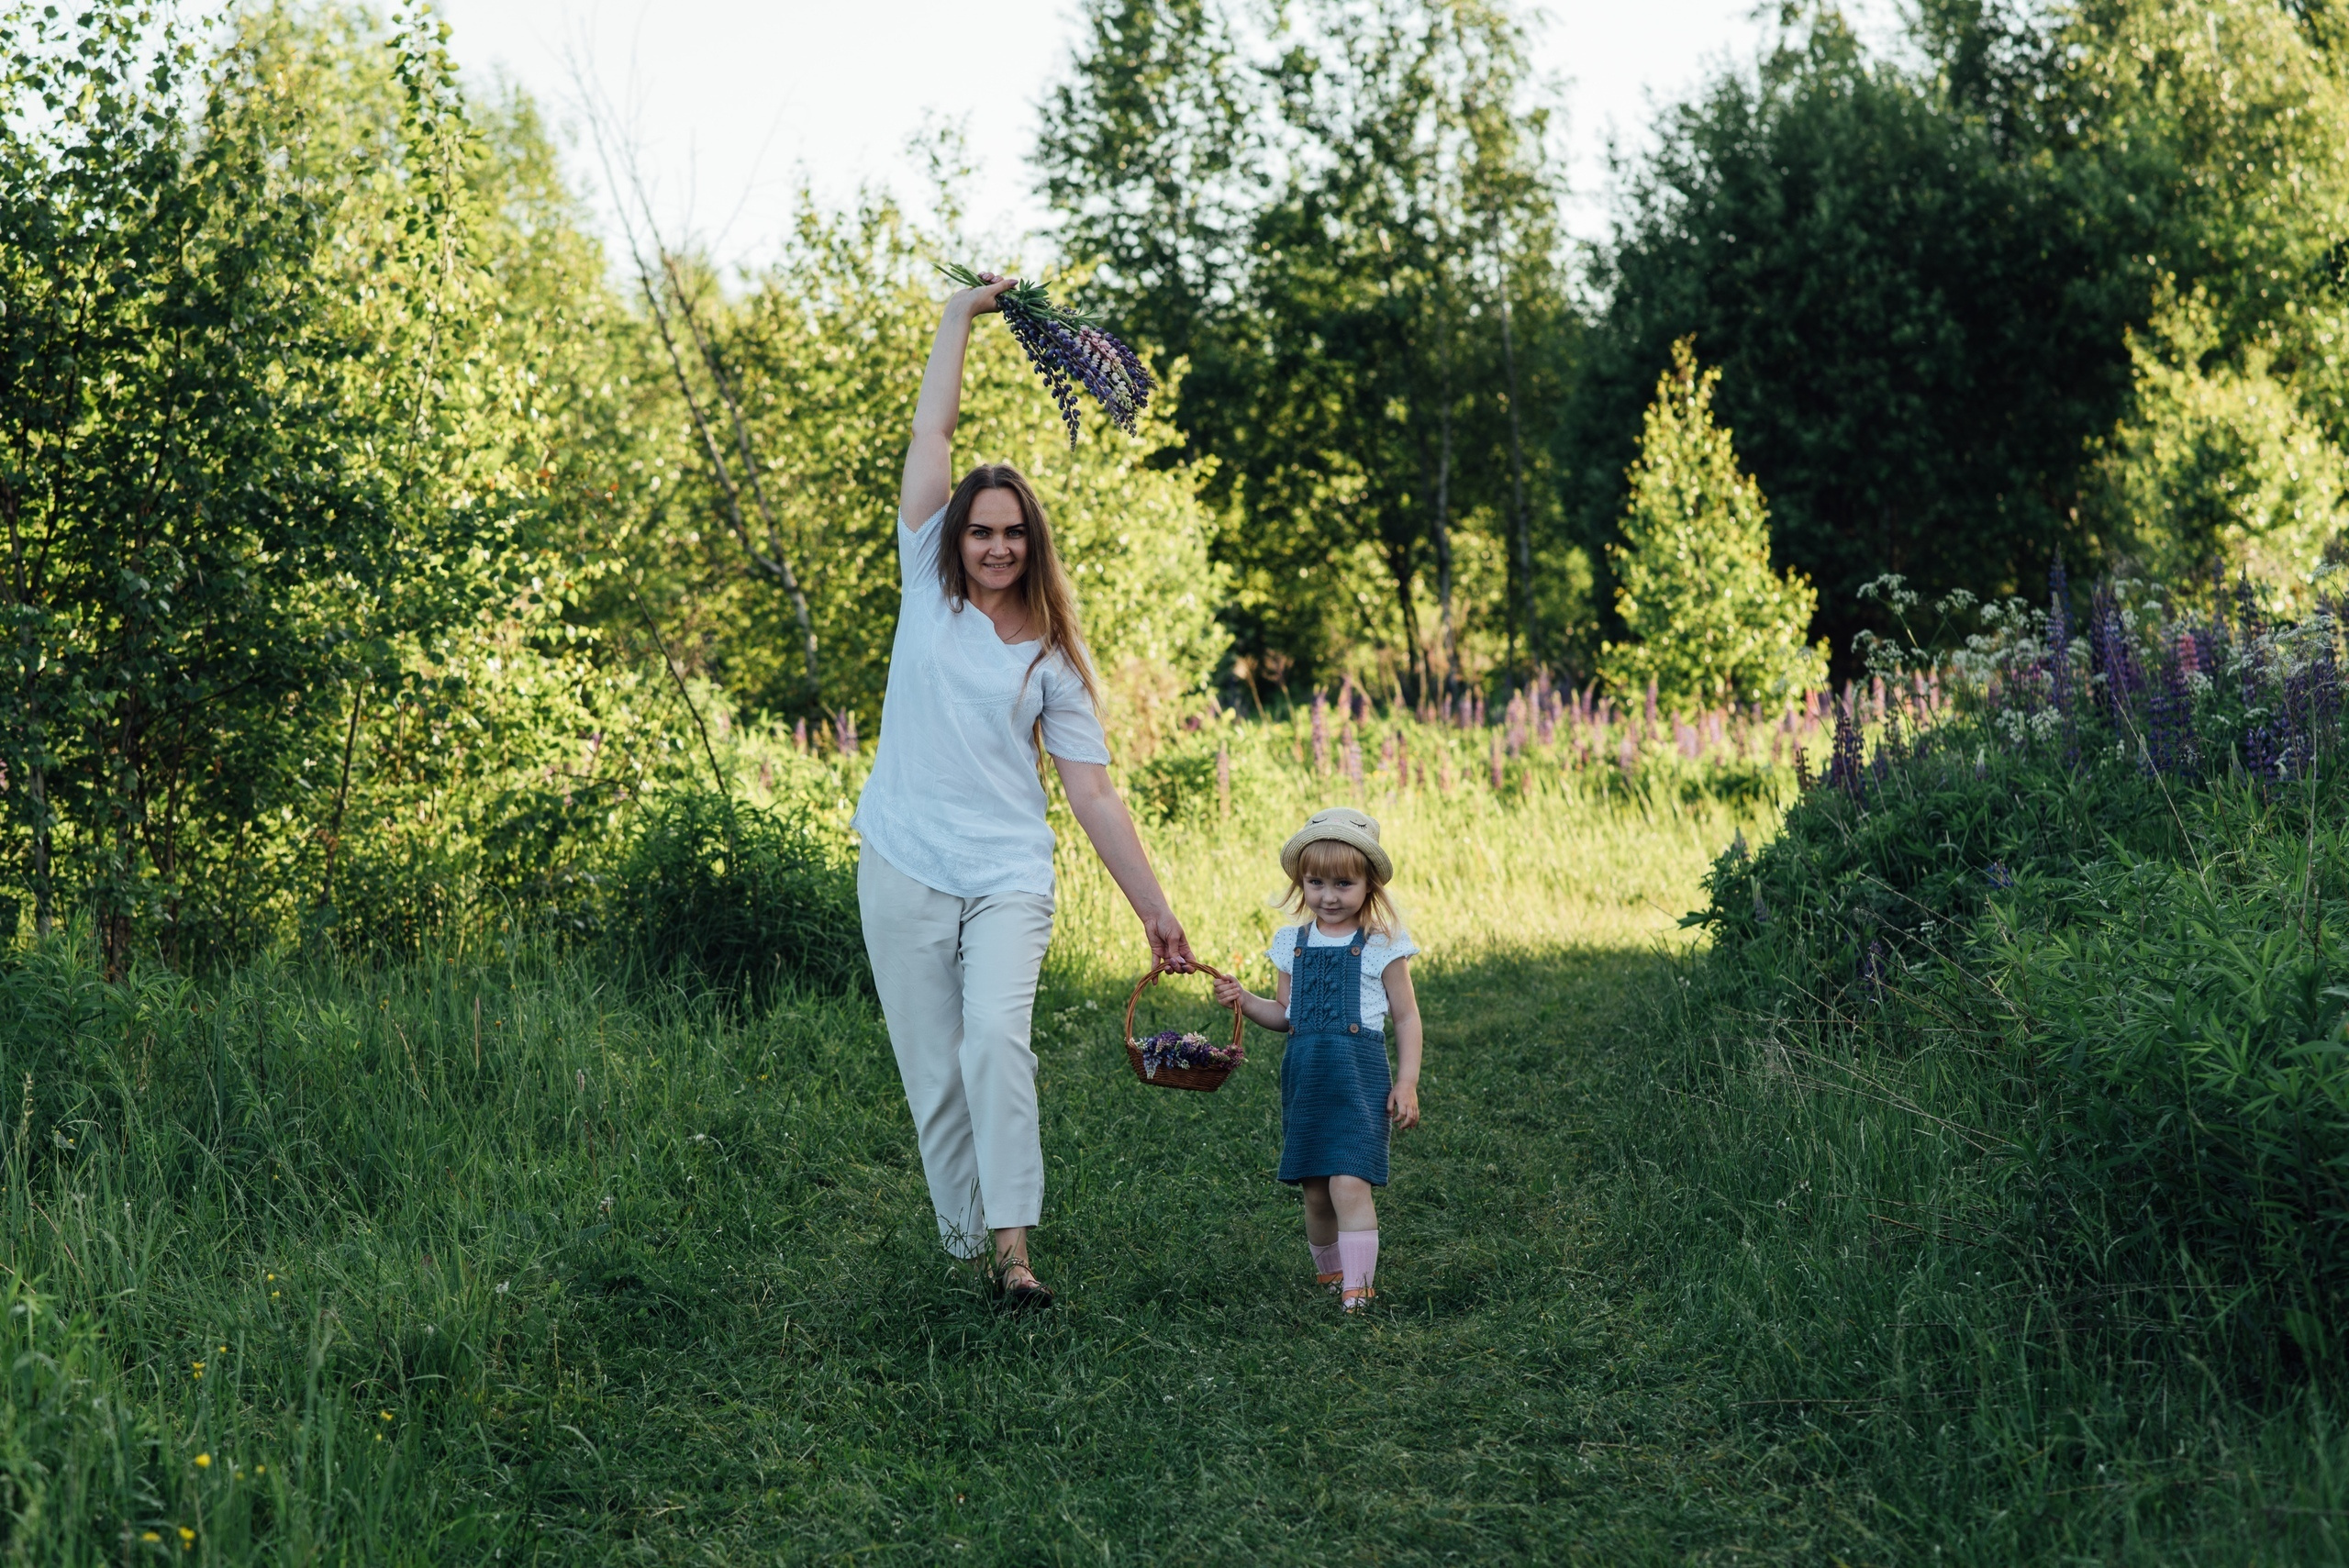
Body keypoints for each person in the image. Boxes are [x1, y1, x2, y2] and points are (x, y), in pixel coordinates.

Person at [854, 270, 1197, 1311]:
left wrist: (1157, 914)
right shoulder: (925, 578)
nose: (995, 544)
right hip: (904, 857)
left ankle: (1013, 1251)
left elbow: (1092, 795)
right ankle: (965, 1236)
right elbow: (934, 433)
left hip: (1008, 871)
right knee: (933, 1065)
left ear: (1032, 541)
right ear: (953, 535)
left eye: (1011, 531)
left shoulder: (1050, 657)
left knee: (996, 1039)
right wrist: (960, 317)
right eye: (978, 529)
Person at [1213, 808, 1423, 1312]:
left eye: (1343, 884)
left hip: (1358, 1081)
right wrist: (1244, 1000)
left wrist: (1408, 1082)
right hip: (1307, 1081)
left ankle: (1359, 1287)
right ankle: (1330, 1273)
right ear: (1300, 883)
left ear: (1369, 885)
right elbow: (1285, 1015)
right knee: (1315, 1191)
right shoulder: (1293, 944)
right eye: (1316, 883)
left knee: (1349, 1182)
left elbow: (1407, 1019)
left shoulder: (1381, 947)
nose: (1329, 896)